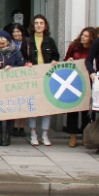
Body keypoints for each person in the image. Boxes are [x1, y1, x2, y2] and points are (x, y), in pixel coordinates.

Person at [23, 14, 59, 146]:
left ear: (45, 26)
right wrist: (27, 63)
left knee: (46, 106)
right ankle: (33, 133)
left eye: (41, 23)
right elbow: (22, 58)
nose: (39, 25)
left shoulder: (50, 41)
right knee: (32, 105)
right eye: (36, 23)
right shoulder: (27, 41)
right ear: (33, 26)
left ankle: (45, 134)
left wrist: (54, 62)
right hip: (32, 77)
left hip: (47, 77)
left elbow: (56, 56)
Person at [0, 29, 24, 146]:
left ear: (8, 42)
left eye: (3, 43)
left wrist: (11, 67)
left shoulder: (15, 52)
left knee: (10, 112)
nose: (0, 45)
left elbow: (21, 67)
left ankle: (8, 136)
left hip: (11, 86)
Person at [63, 26, 97, 145]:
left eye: (86, 36)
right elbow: (65, 59)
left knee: (86, 111)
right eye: (82, 35)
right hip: (73, 81)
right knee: (72, 109)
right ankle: (72, 136)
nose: (83, 37)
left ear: (91, 38)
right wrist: (69, 60)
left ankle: (85, 135)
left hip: (88, 82)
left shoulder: (94, 49)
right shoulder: (74, 46)